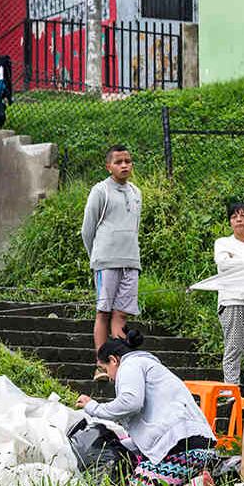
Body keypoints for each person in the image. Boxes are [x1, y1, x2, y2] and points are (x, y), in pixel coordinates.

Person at [75, 329, 217, 486]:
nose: (109, 377)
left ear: (114, 360)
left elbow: (130, 403)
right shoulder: (149, 366)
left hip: (182, 448)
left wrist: (93, 407)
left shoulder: (130, 365)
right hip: (196, 446)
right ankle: (197, 482)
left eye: (104, 368)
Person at [81, 144, 142, 381]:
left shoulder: (136, 192)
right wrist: (96, 258)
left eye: (128, 161)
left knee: (121, 315)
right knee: (103, 312)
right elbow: (88, 229)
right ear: (109, 167)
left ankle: (120, 362)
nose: (124, 165)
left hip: (131, 261)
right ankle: (101, 363)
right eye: (119, 162)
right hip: (106, 261)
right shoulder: (100, 191)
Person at [214, 201, 244, 387]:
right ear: (230, 222)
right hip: (232, 300)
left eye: (243, 215)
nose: (239, 219)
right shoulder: (223, 242)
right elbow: (223, 265)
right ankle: (231, 392)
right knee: (234, 348)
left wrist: (237, 260)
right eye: (234, 216)